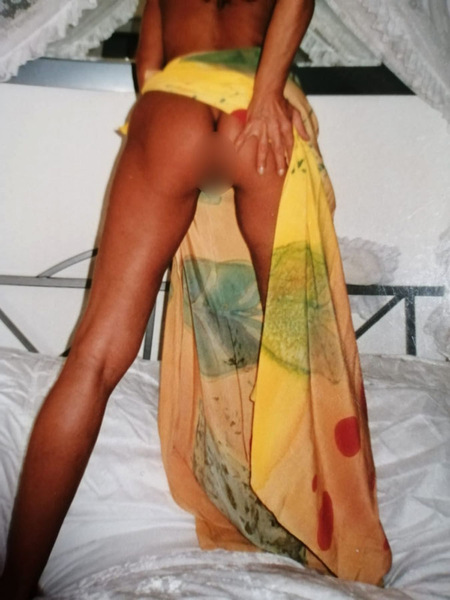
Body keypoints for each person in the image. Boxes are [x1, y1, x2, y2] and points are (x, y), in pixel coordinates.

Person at [0, 1, 392, 598]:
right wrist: (266, 94)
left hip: (174, 104)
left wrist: (183, 120)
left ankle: (15, 584)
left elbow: (149, 65)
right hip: (257, 106)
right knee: (301, 355)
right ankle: (331, 548)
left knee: (93, 360)